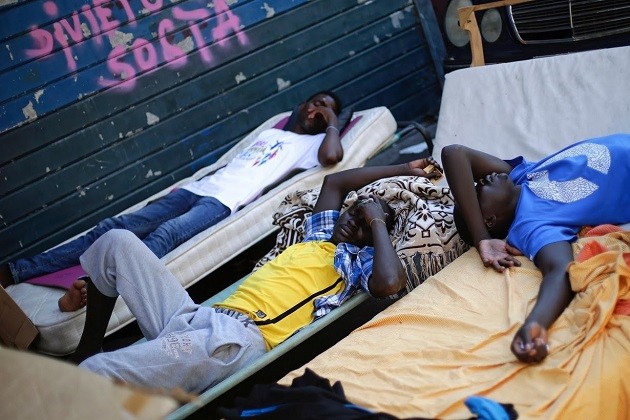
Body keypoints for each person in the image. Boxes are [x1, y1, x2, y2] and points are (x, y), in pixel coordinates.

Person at [68, 158, 440, 393]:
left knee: (93, 373)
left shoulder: (356, 264)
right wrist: (403, 169)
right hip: (197, 316)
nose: (350, 225)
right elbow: (336, 183)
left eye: (362, 226)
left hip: (234, 341)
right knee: (117, 242)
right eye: (353, 214)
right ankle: (89, 343)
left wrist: (376, 221)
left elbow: (389, 283)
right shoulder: (319, 236)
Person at [0, 91, 345, 312]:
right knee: (113, 227)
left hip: (222, 203)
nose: (318, 110)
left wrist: (332, 122)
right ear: (301, 106)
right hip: (196, 190)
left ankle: (87, 293)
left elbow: (333, 158)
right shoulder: (273, 131)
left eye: (326, 109)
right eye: (315, 102)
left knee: (163, 236)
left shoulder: (311, 148)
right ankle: (15, 271)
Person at [441, 133, 630, 364]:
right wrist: (536, 323)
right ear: (489, 219)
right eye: (478, 191)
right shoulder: (532, 225)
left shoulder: (521, 177)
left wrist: (481, 235)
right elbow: (558, 270)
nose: (480, 180)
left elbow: (454, 153)